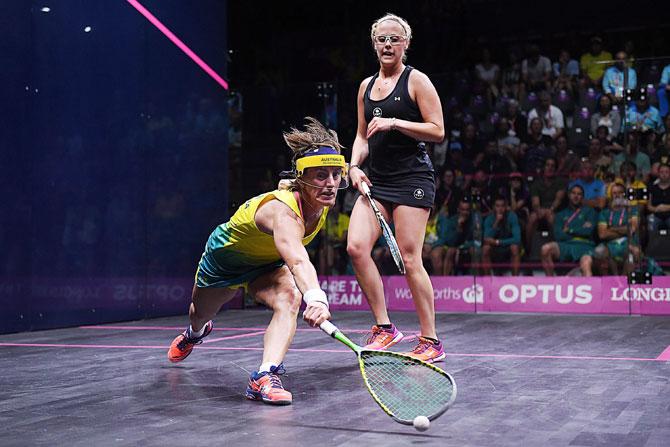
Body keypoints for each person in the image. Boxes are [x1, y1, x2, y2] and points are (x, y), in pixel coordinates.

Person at [167, 117, 343, 405]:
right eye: (321, 175)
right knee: (199, 314)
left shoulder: (319, 201)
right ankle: (195, 333)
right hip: (225, 260)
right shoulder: (283, 211)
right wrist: (318, 298)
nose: (331, 184)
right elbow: (298, 261)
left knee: (289, 297)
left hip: (268, 264)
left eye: (336, 174)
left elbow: (290, 259)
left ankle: (264, 375)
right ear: (303, 177)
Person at [347, 13, 445, 363]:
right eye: (382, 40)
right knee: (356, 247)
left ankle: (431, 341)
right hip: (378, 180)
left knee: (408, 258)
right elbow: (361, 135)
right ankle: (385, 328)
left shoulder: (417, 81)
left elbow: (437, 130)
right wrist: (354, 166)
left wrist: (395, 122)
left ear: (405, 44)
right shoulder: (365, 87)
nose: (387, 45)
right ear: (374, 44)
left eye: (394, 39)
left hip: (412, 179)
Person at [541, 184, 597, 276]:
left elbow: (588, 232)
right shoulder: (560, 214)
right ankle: (551, 283)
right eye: (573, 193)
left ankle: (589, 289)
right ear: (569, 195)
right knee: (545, 249)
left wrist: (569, 230)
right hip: (566, 245)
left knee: (586, 263)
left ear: (582, 197)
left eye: (579, 194)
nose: (576, 196)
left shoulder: (590, 211)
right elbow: (558, 235)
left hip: (585, 245)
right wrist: (581, 229)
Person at [595, 182, 640, 275]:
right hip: (610, 243)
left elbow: (632, 229)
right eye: (614, 193)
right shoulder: (604, 213)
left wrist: (611, 229)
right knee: (599, 252)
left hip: (628, 242)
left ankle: (623, 283)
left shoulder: (632, 210)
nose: (617, 195)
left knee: (634, 252)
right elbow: (602, 234)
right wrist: (624, 230)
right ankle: (609, 283)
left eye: (620, 192)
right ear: (611, 195)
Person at [482, 196, 522, 275]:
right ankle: (487, 280)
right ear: (493, 207)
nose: (500, 209)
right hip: (495, 250)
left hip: (507, 247)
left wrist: (498, 242)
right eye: (497, 206)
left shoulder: (512, 216)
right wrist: (496, 222)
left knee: (515, 247)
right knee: (485, 248)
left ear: (506, 206)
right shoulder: (489, 219)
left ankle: (515, 280)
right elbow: (486, 238)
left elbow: (517, 239)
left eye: (502, 206)